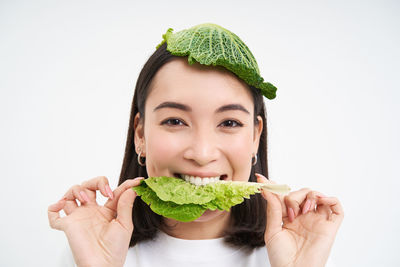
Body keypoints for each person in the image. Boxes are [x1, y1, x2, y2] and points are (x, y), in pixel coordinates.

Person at [48, 23, 344, 267]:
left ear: (255, 136)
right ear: (140, 134)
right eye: (175, 121)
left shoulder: (300, 254)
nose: (202, 154)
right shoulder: (92, 250)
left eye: (229, 123)